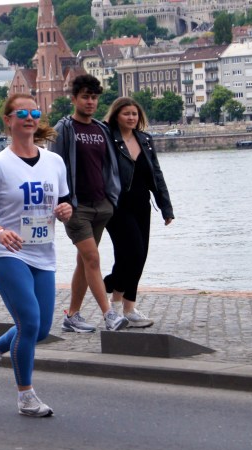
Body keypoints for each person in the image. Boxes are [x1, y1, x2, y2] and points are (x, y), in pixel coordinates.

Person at [0, 93, 72, 417]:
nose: (30, 118)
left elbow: (66, 202)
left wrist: (67, 210)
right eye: (23, 113)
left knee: (40, 329)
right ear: (8, 120)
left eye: (35, 113)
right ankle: (26, 396)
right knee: (28, 321)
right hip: (7, 253)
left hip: (44, 253)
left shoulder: (54, 162)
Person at [49, 74, 127, 333]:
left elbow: (109, 166)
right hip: (76, 207)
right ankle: (109, 314)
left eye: (94, 97)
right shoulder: (64, 128)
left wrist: (111, 199)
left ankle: (72, 316)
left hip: (101, 205)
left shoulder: (101, 129)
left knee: (84, 261)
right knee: (93, 258)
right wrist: (62, 202)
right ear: (74, 99)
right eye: (85, 97)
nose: (90, 102)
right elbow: (53, 167)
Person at [102, 97, 174, 327]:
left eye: (134, 114)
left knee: (138, 256)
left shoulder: (145, 140)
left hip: (142, 204)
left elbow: (157, 175)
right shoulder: (107, 139)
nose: (131, 117)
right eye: (126, 114)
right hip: (116, 206)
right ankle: (107, 285)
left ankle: (126, 307)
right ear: (116, 116)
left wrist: (166, 207)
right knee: (134, 251)